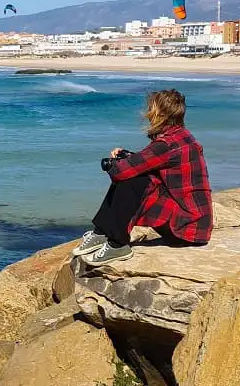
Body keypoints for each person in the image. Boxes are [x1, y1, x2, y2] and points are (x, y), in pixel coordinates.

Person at [72, 89, 213, 265]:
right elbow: (153, 160)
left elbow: (122, 171)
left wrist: (114, 164)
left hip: (185, 228)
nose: (146, 113)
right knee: (137, 173)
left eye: (150, 109)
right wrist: (127, 156)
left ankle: (117, 245)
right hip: (194, 221)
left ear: (160, 114)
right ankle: (101, 233)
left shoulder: (166, 144)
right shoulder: (180, 136)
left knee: (133, 178)